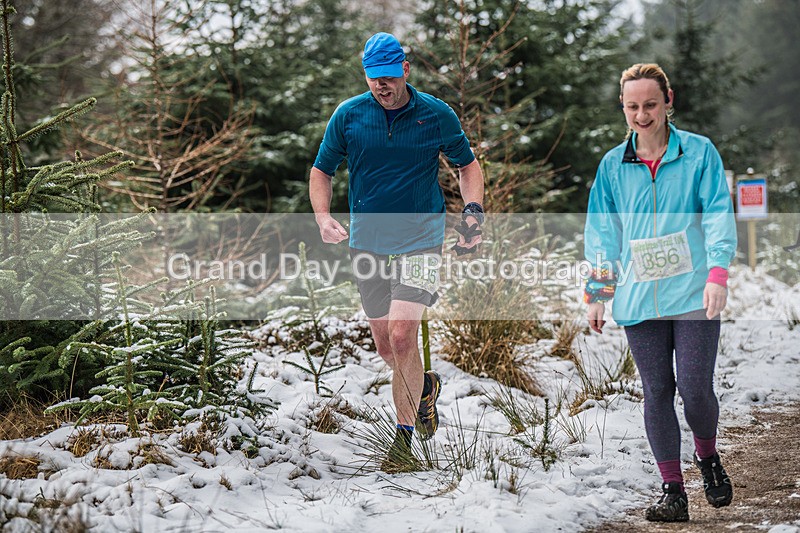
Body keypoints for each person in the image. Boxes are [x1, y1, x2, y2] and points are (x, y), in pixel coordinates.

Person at [310, 32, 485, 472]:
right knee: (389, 348)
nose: (382, 87)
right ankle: (424, 388)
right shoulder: (349, 116)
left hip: (421, 239)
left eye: (388, 78)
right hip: (367, 242)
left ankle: (403, 443)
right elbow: (321, 170)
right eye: (373, 80)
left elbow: (467, 165)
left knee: (404, 336)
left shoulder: (434, 114)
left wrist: (473, 213)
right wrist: (323, 216)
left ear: (405, 70)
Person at [584, 63, 737, 522]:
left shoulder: (699, 153)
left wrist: (718, 274)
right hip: (638, 298)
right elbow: (602, 234)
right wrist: (598, 292)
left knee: (694, 389)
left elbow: (715, 215)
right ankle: (672, 490)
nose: (642, 114)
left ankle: (707, 456)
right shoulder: (613, 165)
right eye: (632, 106)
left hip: (693, 294)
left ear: (669, 101)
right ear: (623, 107)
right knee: (656, 391)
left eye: (651, 104)